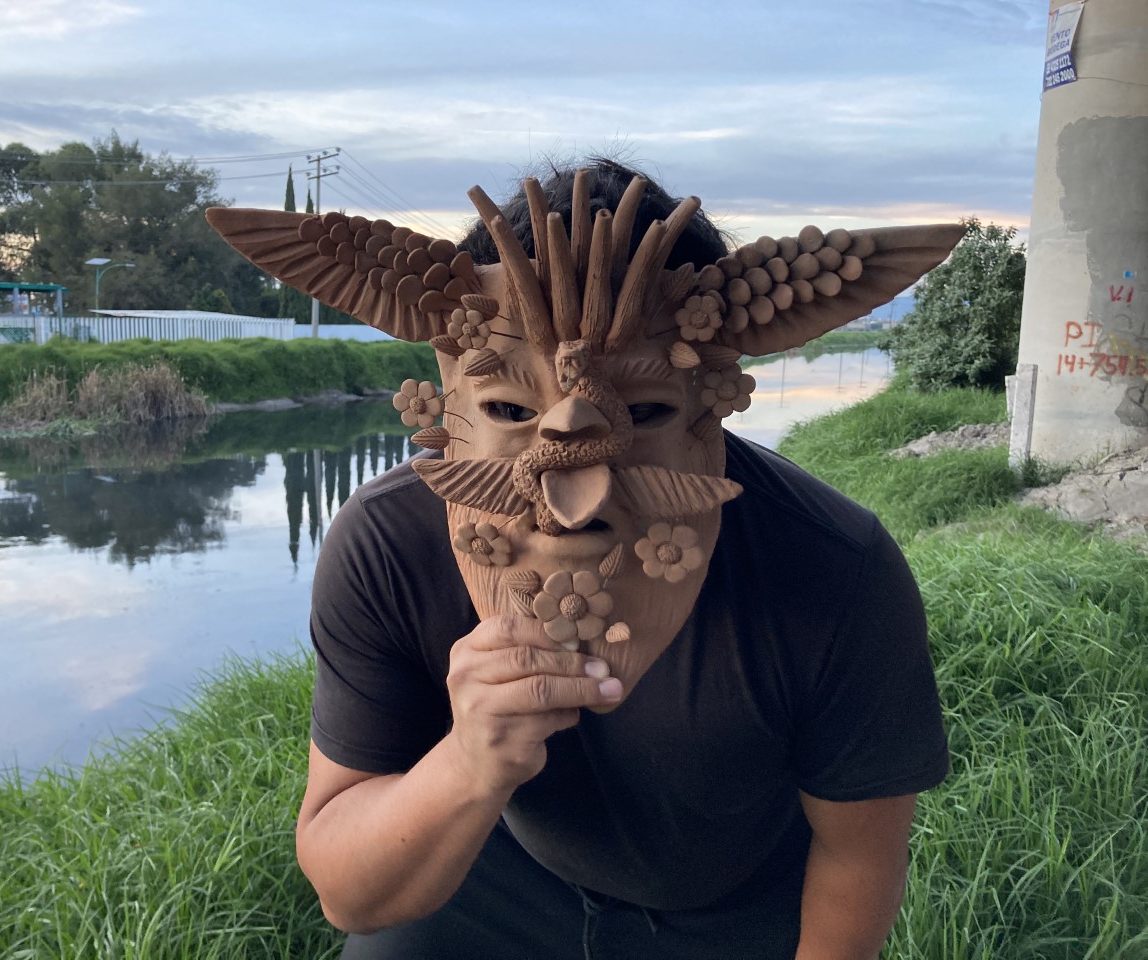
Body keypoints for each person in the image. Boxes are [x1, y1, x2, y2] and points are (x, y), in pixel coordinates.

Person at [207, 160, 957, 959]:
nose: (575, 480)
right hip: (494, 876)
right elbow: (349, 892)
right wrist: (468, 765)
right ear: (448, 396)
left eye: (642, 410)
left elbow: (859, 851)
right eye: (508, 409)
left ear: (714, 401)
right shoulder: (387, 544)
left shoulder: (834, 567)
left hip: (731, 906)